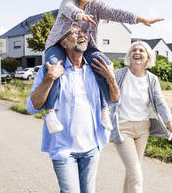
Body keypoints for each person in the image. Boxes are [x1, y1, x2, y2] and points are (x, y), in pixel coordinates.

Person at [43, 0, 164, 134]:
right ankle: (50, 112)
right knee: (55, 68)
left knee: (105, 64)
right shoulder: (68, 0)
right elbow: (69, 9)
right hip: (58, 43)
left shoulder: (97, 6)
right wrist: (80, 15)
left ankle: (103, 107)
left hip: (86, 45)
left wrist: (139, 19)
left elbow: (116, 13)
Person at [26, 24, 119, 193]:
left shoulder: (96, 70)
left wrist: (111, 79)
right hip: (63, 149)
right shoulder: (50, 69)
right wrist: (49, 78)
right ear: (63, 43)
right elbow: (32, 107)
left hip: (92, 147)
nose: (81, 35)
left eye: (83, 32)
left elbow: (114, 99)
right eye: (75, 33)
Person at [110, 41, 172, 193]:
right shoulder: (119, 74)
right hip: (123, 129)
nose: (137, 52)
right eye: (134, 49)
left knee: (132, 173)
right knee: (136, 175)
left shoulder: (152, 79)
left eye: (141, 50)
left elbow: (160, 103)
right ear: (129, 55)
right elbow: (105, 94)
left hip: (143, 130)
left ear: (148, 57)